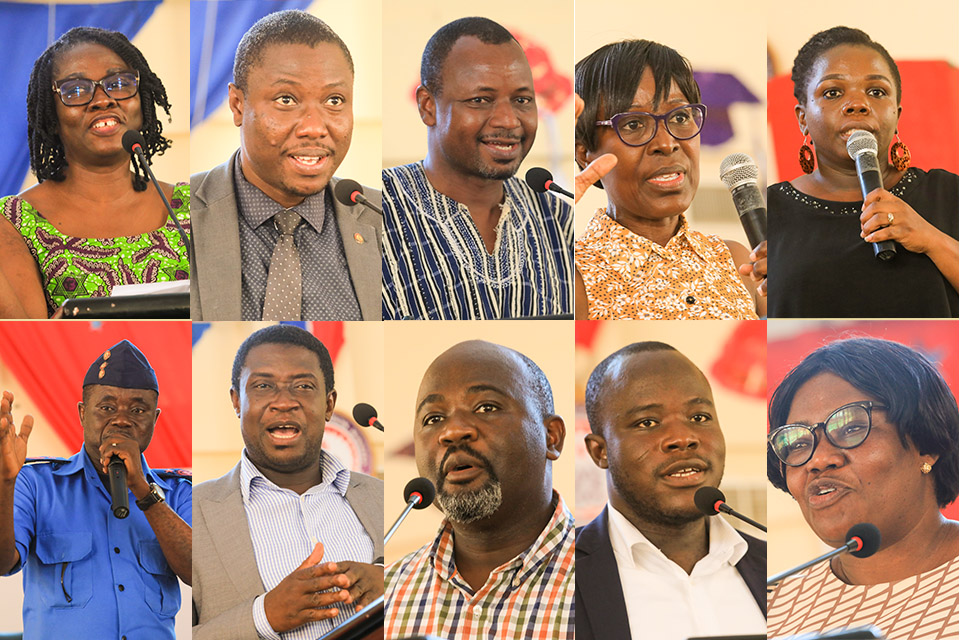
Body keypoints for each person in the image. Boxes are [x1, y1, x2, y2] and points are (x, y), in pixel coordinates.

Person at [193, 324, 384, 640]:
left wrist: (387, 582)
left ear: (328, 404)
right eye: (264, 386)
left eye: (304, 387)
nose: (284, 402)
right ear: (236, 401)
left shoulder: (383, 498)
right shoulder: (193, 511)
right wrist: (264, 616)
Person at [190, 10, 382, 322]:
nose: (314, 127)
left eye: (334, 101)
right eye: (286, 100)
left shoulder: (385, 221)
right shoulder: (176, 216)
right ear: (238, 105)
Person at [381, 17, 574, 320]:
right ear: (428, 106)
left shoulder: (560, 221)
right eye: (481, 100)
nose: (509, 121)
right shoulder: (376, 214)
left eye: (522, 100)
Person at [766, 337, 958, 639]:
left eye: (852, 427)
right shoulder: (771, 604)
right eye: (798, 443)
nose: (818, 460)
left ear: (926, 443)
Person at [0, 340, 192, 639]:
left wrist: (143, 490)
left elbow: (201, 575)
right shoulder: (35, 483)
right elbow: (3, 562)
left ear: (154, 420)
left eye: (138, 409)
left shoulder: (179, 492)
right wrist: (4, 482)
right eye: (106, 407)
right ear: (82, 413)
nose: (121, 419)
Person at [384, 340, 573, 639]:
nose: (453, 431)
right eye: (434, 418)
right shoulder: (384, 596)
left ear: (551, 437)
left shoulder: (608, 574)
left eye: (486, 407)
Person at [577, 342, 766, 640]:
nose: (683, 438)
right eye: (648, 422)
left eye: (699, 417)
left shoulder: (776, 569)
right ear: (600, 451)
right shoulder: (554, 575)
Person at [767, 26, 959, 318]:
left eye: (876, 92)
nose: (858, 104)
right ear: (802, 118)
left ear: (896, 114)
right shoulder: (770, 211)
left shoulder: (948, 193)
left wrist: (931, 238)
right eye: (832, 92)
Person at [0, 27, 189, 318]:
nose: (103, 99)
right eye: (75, 90)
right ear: (52, 116)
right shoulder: (14, 222)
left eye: (119, 83)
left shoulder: (192, 206)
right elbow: (28, 337)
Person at [574, 39, 765, 320]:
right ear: (585, 154)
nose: (667, 143)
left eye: (679, 117)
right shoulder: (571, 275)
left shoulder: (737, 260)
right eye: (634, 124)